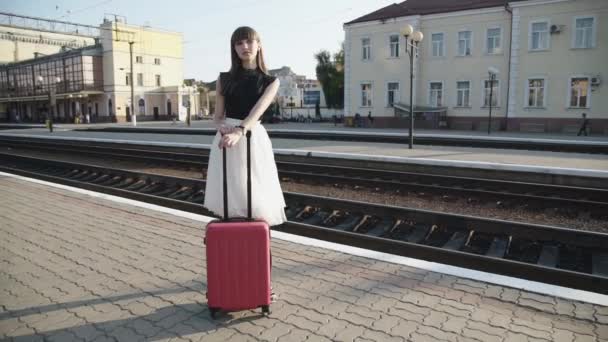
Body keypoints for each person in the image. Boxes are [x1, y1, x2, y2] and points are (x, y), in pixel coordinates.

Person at [204, 26, 286, 226]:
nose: (245, 46)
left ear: (259, 45)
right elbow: (217, 117)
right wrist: (220, 127)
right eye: (239, 43)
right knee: (230, 192)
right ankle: (234, 246)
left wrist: (239, 131)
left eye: (249, 41)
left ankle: (253, 245)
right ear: (234, 48)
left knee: (254, 191)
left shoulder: (270, 81)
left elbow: (256, 112)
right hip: (226, 137)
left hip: (251, 135)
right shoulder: (223, 79)